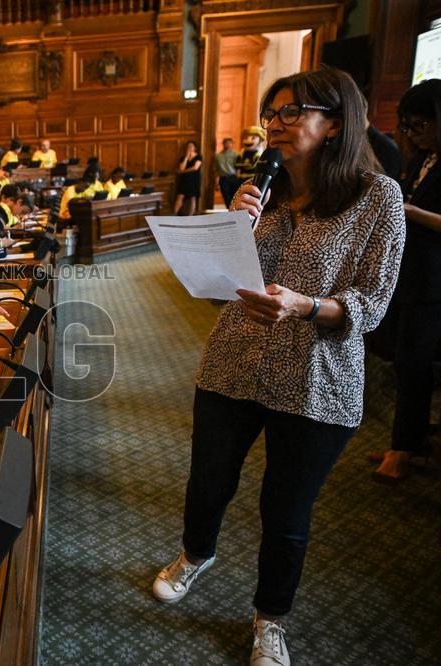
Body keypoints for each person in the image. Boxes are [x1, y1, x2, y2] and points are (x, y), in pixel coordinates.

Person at [151, 67, 405, 666]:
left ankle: (271, 618)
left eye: (292, 112)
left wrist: (306, 305)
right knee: (208, 481)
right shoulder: (258, 189)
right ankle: (195, 554)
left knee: (285, 510)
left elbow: (373, 303)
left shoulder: (377, 197)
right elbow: (223, 290)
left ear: (336, 121)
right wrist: (234, 226)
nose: (276, 124)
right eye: (272, 114)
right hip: (235, 361)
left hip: (317, 377)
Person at [372, 79, 441, 482]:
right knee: (403, 358)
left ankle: (401, 449)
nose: (412, 134)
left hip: (434, 279)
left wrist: (405, 209)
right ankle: (408, 441)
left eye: (420, 125)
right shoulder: (424, 159)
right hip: (409, 270)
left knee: (414, 361)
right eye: (408, 126)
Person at [173, 140, 202, 215]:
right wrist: (186, 157)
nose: (190, 147)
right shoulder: (183, 157)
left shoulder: (198, 156)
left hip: (194, 180)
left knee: (192, 198)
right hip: (184, 180)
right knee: (180, 196)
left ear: (195, 148)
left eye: (191, 146)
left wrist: (183, 172)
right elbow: (182, 168)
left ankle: (190, 216)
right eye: (188, 146)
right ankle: (175, 214)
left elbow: (195, 168)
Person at [215, 137, 240, 208]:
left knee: (235, 196)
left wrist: (238, 178)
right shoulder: (218, 156)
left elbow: (238, 168)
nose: (227, 145)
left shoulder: (236, 154)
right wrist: (216, 183)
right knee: (226, 197)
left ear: (232, 144)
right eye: (226, 143)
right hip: (223, 178)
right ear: (223, 144)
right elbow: (216, 171)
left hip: (233, 177)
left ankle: (235, 212)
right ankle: (229, 211)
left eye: (229, 143)